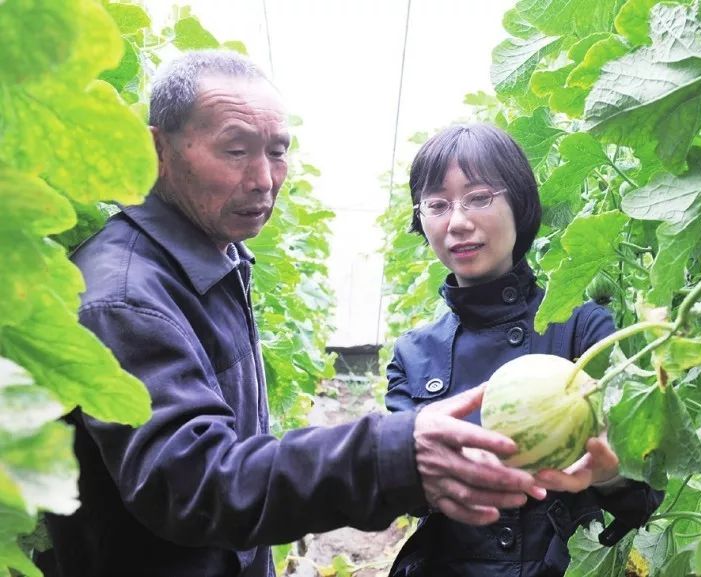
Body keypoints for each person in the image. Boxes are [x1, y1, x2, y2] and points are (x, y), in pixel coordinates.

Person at [40, 51, 545, 577]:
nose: (263, 178)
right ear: (156, 149)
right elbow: (195, 483)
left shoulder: (209, 257)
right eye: (235, 150)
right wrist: (390, 453)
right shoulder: (124, 296)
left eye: (277, 153)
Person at [385, 124, 663, 576]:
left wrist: (608, 473)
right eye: (437, 205)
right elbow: (402, 489)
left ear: (520, 202)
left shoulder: (584, 328)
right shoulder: (415, 353)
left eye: (478, 197)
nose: (457, 221)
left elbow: (645, 494)